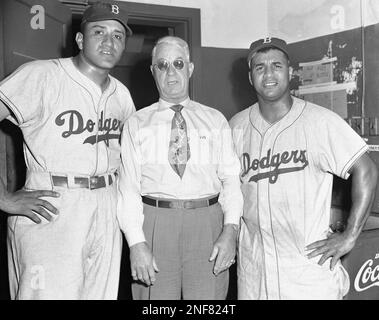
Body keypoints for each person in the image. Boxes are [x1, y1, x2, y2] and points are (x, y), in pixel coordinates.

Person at [0, 2, 135, 299]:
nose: (109, 42)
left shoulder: (121, 94)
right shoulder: (42, 75)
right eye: (99, 31)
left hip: (107, 206)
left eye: (117, 35)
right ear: (79, 39)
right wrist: (3, 197)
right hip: (53, 205)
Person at [229, 37, 378, 300]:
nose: (269, 73)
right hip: (254, 269)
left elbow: (366, 170)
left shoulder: (319, 121)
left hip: (306, 269)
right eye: (259, 67)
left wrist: (350, 235)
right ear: (250, 77)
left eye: (277, 65)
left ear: (290, 71)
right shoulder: (236, 125)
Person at [117, 36, 243, 300]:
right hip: (155, 222)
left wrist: (230, 231)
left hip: (207, 224)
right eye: (162, 65)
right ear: (153, 72)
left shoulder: (214, 119)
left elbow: (231, 180)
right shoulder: (137, 123)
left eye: (177, 63)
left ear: (190, 68)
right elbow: (127, 189)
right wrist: (136, 243)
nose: (170, 72)